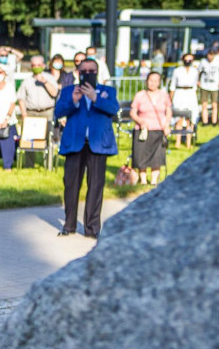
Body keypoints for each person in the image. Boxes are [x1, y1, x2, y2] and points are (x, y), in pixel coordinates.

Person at [53, 57, 119, 239]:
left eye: (91, 71)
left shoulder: (107, 91)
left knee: (96, 185)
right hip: (75, 142)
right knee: (71, 185)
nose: (88, 74)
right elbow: (58, 112)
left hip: (97, 144)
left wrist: (95, 98)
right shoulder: (69, 91)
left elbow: (114, 109)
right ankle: (69, 225)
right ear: (78, 73)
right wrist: (74, 101)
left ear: (97, 73)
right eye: (84, 71)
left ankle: (92, 228)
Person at [130, 71, 172, 185]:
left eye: (155, 81)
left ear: (159, 82)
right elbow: (133, 112)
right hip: (142, 130)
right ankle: (143, 180)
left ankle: (154, 180)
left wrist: (167, 124)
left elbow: (168, 111)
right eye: (150, 80)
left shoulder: (164, 95)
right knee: (141, 155)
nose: (152, 83)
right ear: (146, 81)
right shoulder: (140, 95)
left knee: (157, 156)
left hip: (159, 129)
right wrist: (140, 121)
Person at [17, 55, 60, 167]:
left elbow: (54, 93)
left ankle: (48, 165)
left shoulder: (50, 78)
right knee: (29, 140)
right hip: (31, 113)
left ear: (43, 66)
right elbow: (21, 98)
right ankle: (29, 165)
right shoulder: (27, 81)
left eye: (38, 65)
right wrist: (24, 113)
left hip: (47, 112)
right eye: (34, 65)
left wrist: (44, 82)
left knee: (48, 139)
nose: (36, 67)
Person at [169, 53, 198, 149]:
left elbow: (195, 85)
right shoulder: (177, 71)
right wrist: (171, 99)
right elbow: (172, 86)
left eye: (190, 60)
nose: (188, 61)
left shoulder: (195, 71)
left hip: (190, 93)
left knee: (190, 118)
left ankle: (188, 142)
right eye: (186, 59)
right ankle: (177, 141)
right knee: (179, 118)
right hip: (179, 93)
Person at [197, 48, 219, 126]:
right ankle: (205, 121)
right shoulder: (203, 62)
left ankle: (214, 121)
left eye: (212, 55)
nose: (210, 56)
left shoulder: (218, 60)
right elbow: (198, 71)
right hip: (204, 85)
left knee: (214, 104)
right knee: (204, 104)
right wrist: (198, 81)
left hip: (214, 86)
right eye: (209, 54)